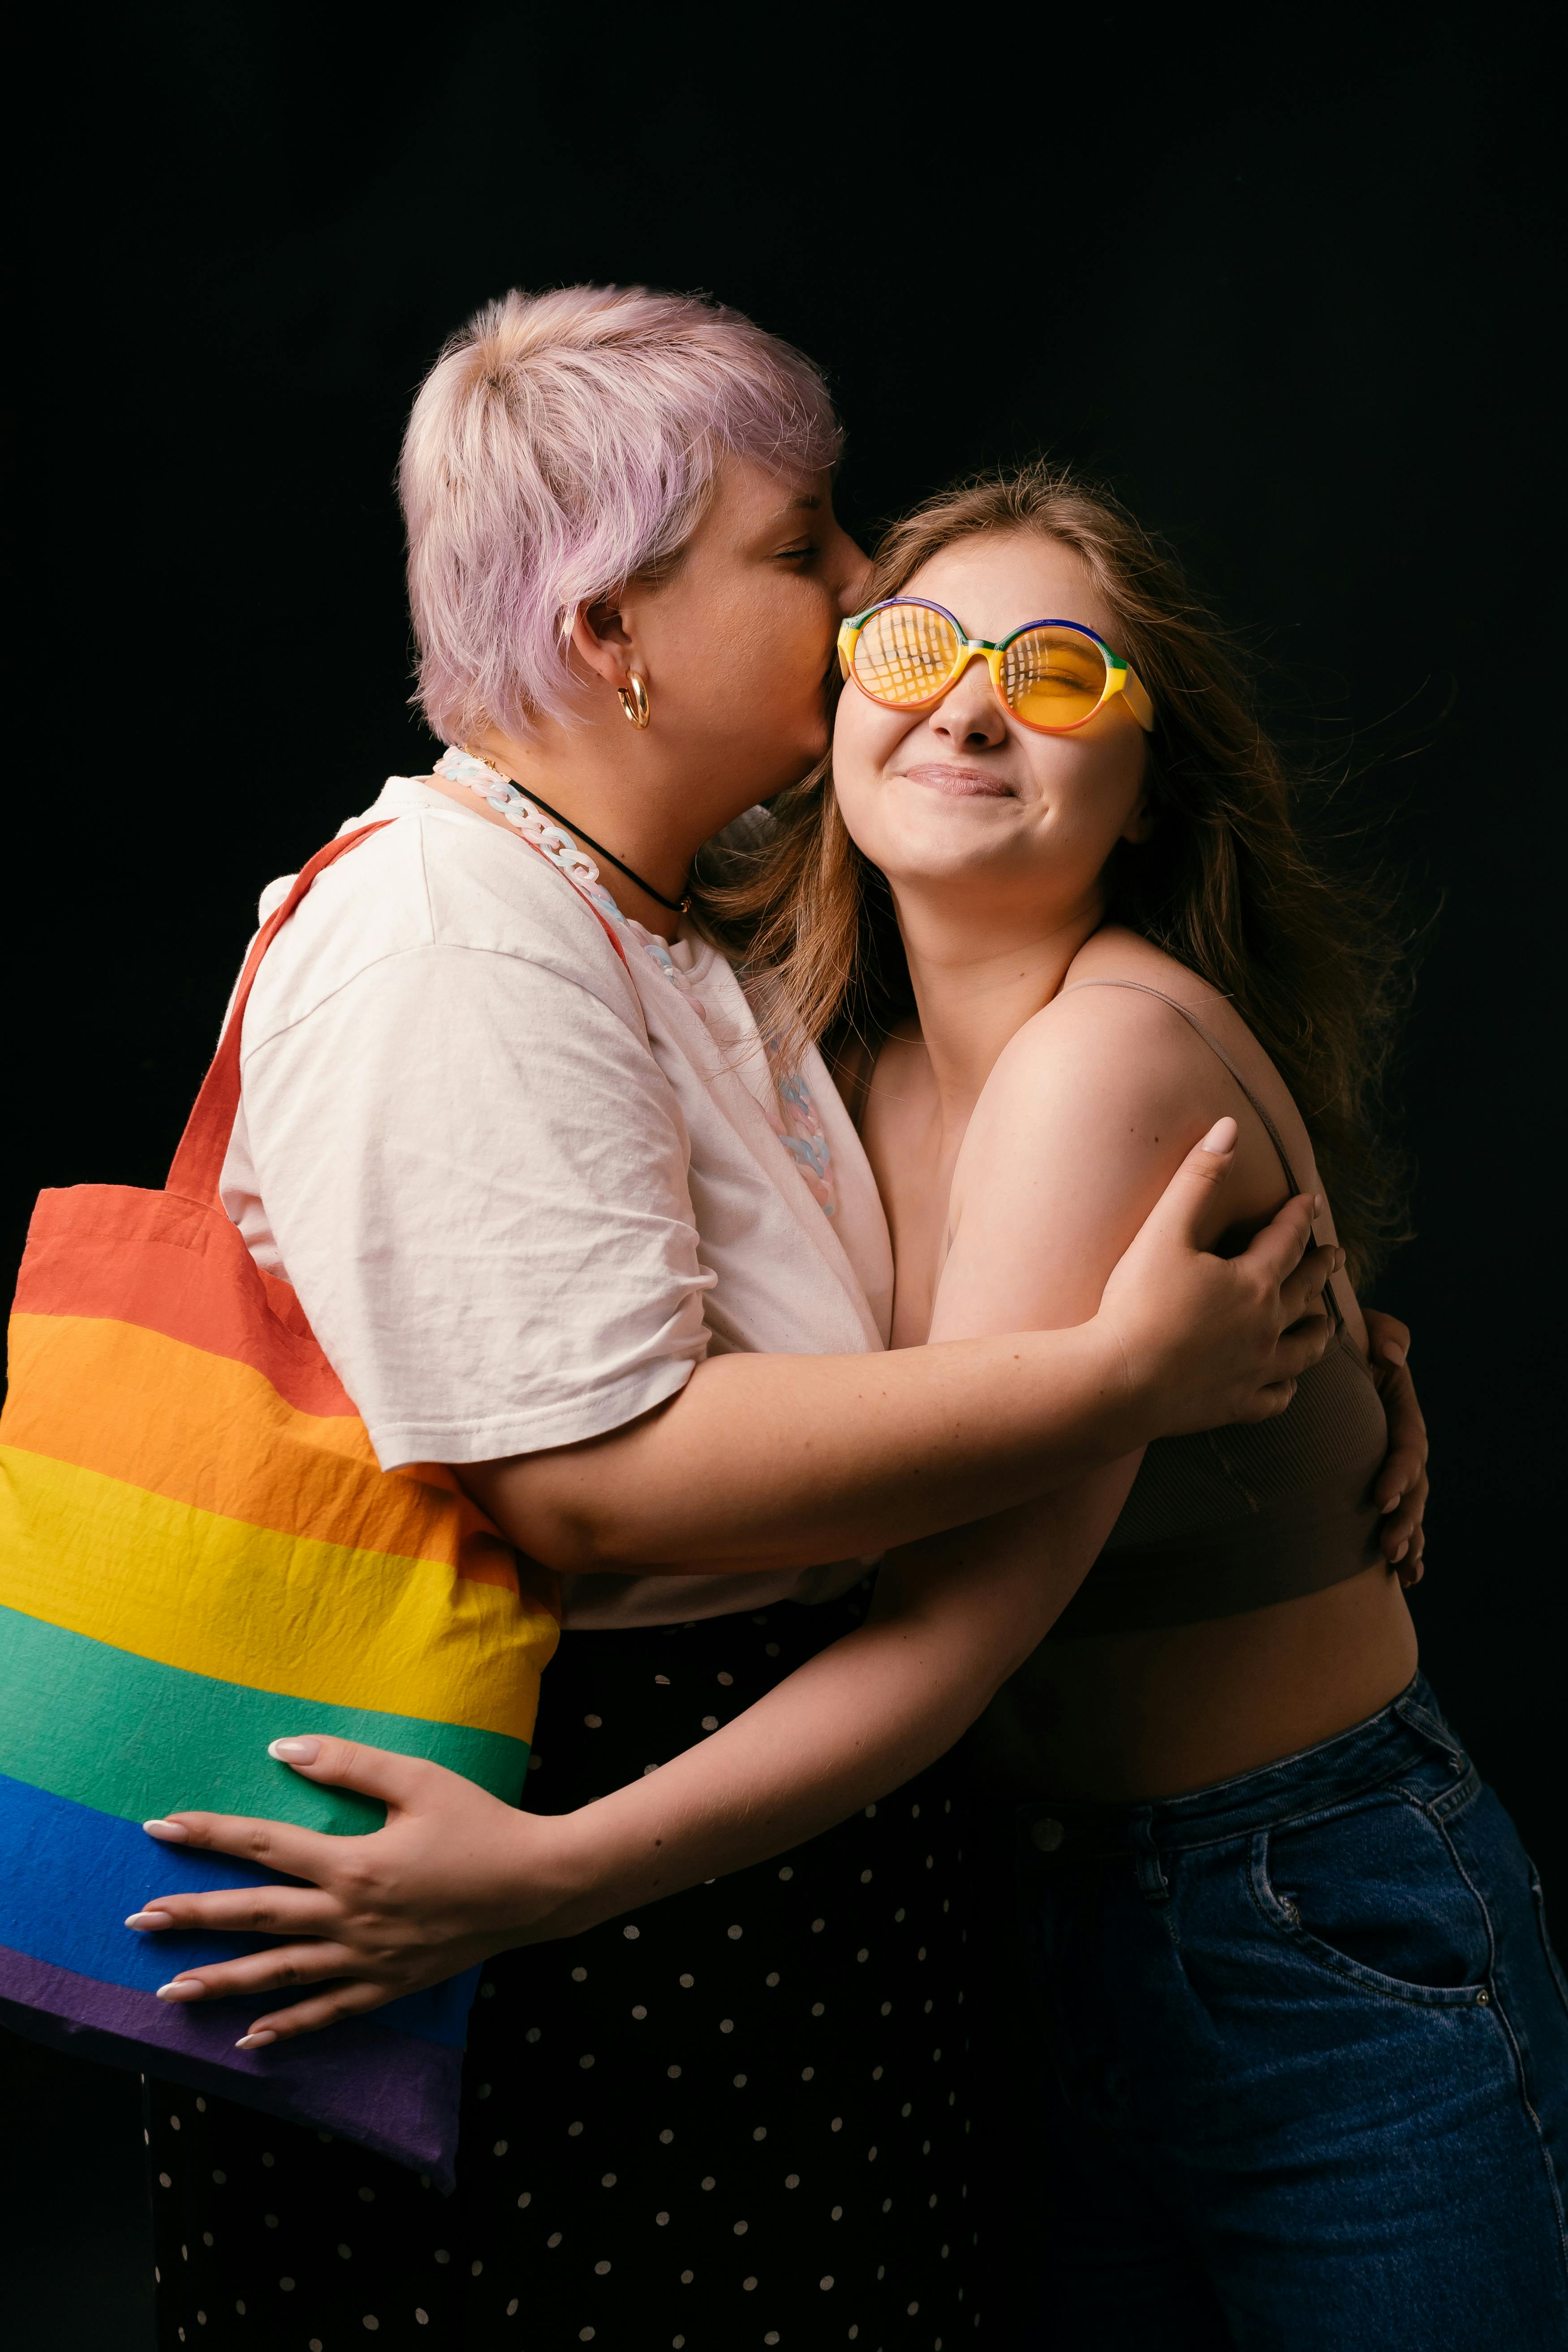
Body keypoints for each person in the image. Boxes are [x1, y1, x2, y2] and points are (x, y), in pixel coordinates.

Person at [127, 289, 1427, 2350]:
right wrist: (1113, 1381)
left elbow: (957, 1281)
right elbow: (578, 1475)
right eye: (816, 555)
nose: (854, 602)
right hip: (585, 1868)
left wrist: (1308, 1379)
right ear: (604, 637)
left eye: (1034, 664)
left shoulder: (708, 928)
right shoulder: (467, 925)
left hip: (824, 1885)